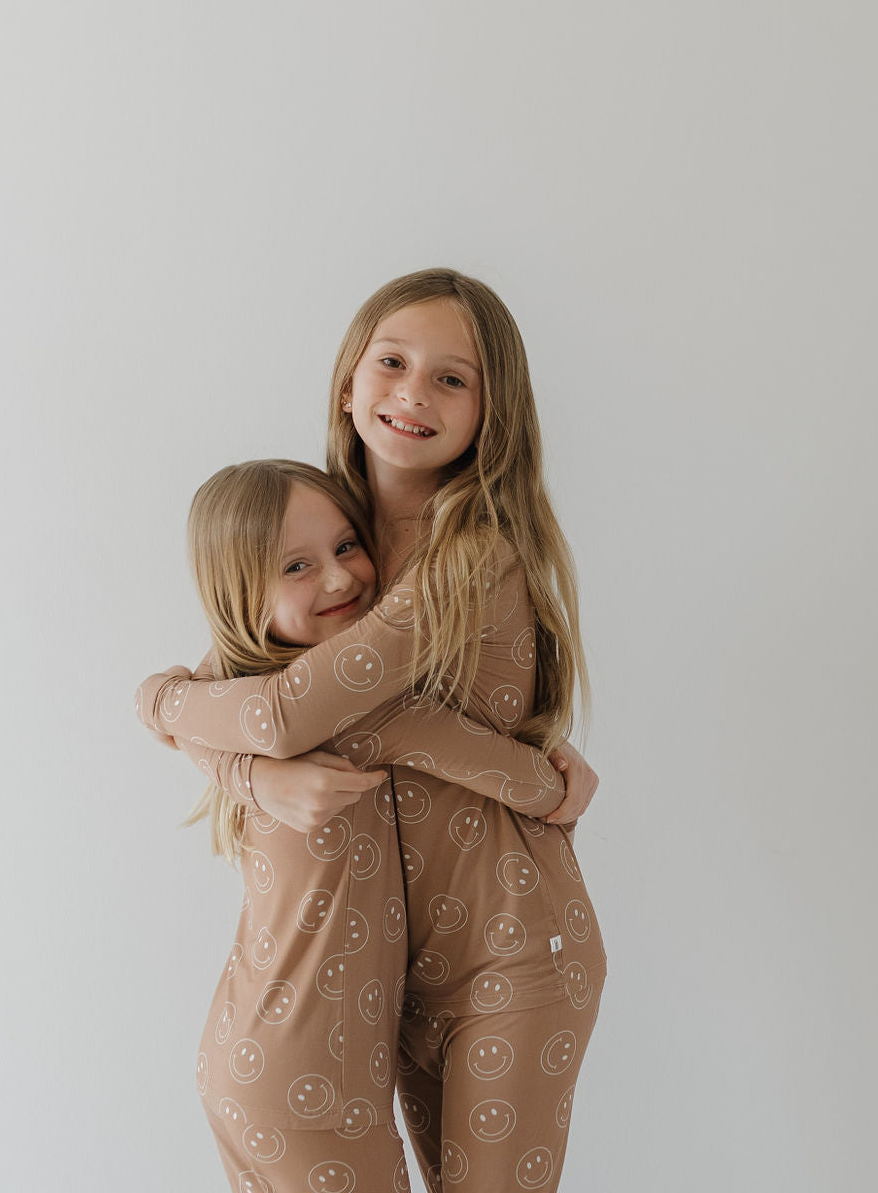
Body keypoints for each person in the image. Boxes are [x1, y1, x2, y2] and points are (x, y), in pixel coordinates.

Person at [139, 268, 606, 1192]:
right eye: (392, 362)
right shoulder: (330, 542)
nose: (414, 392)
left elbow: (272, 712)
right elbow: (215, 691)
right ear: (348, 382)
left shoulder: (470, 555)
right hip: (398, 977)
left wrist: (227, 729)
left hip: (514, 952)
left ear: (492, 413)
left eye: (452, 378)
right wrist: (249, 772)